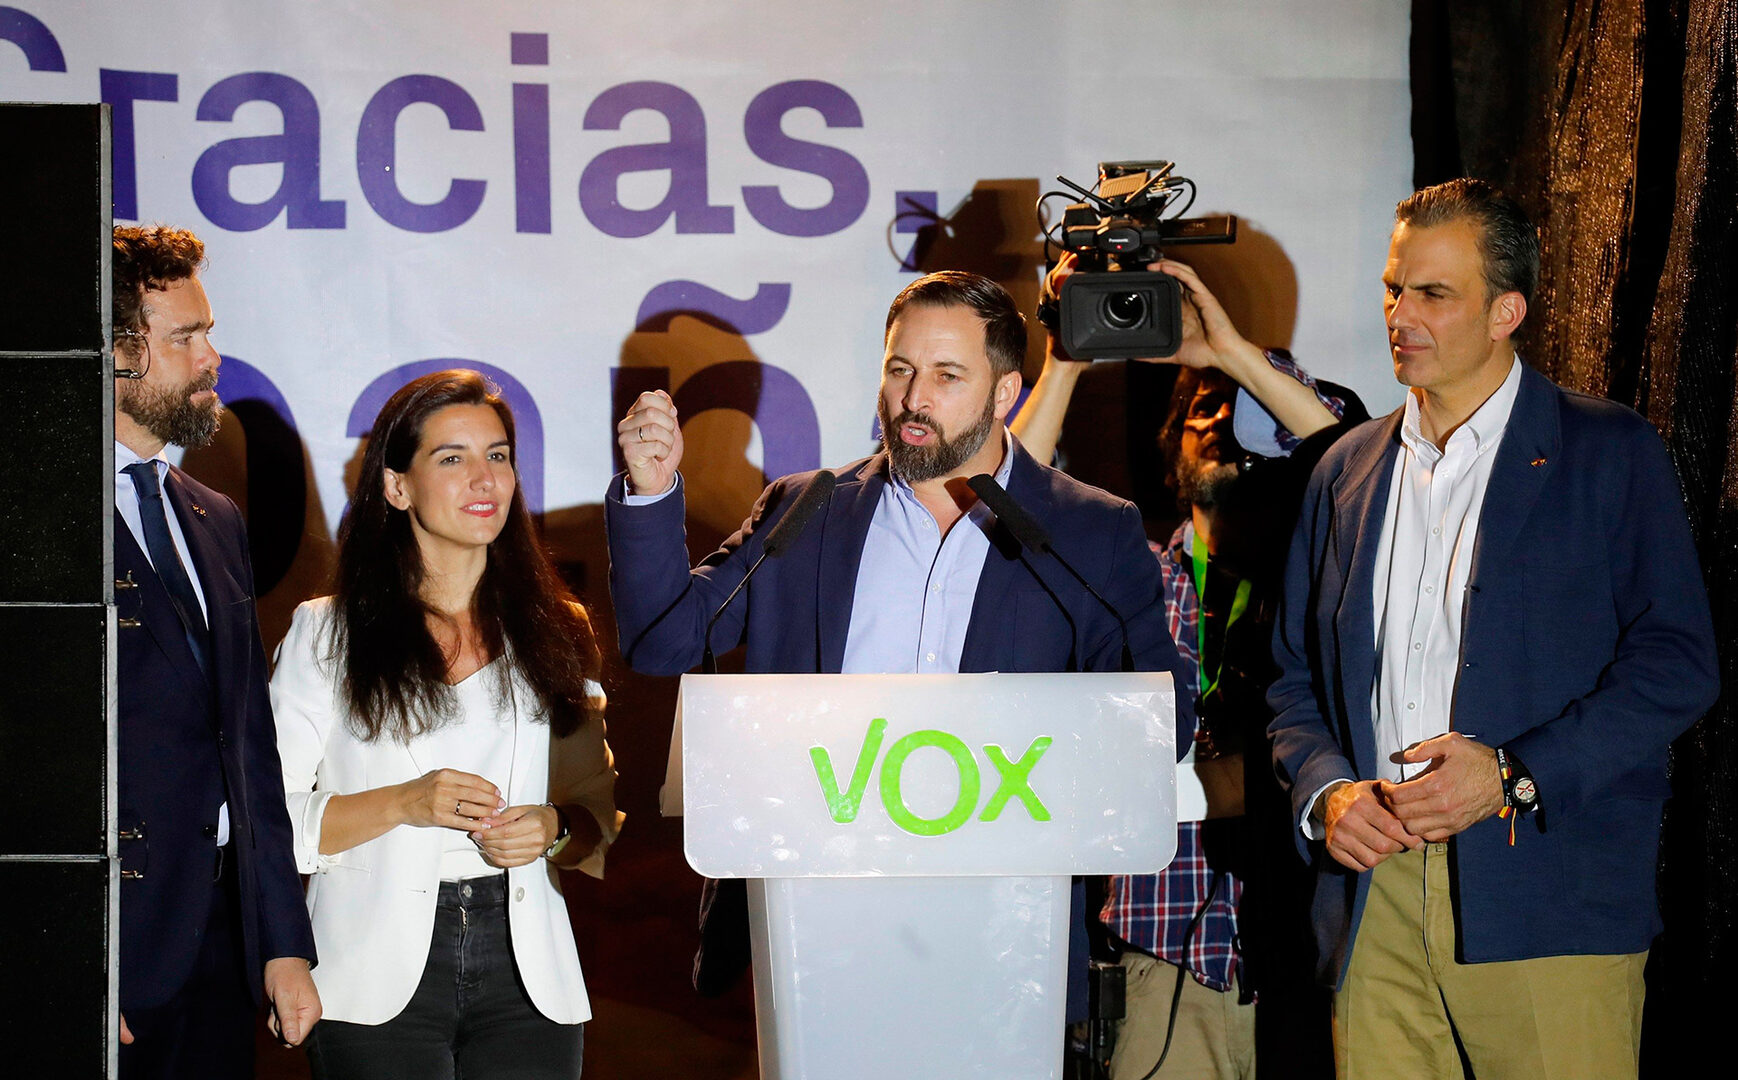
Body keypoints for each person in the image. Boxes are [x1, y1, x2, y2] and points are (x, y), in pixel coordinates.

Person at [608, 269, 1193, 997]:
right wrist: (651, 492)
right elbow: (664, 639)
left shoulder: (1088, 530)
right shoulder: (806, 509)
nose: (914, 399)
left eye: (947, 375)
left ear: (1004, 392)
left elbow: (1161, 728)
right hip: (814, 927)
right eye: (900, 369)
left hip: (1005, 940)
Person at [1267, 178, 1719, 1078]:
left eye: (1434, 293)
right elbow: (1293, 678)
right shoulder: (1345, 471)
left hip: (1549, 899)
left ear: (1507, 310)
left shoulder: (1607, 450)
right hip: (1374, 902)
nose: (1401, 315)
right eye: (1394, 288)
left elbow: (1677, 664)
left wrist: (1514, 774)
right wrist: (1328, 795)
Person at [1014, 255, 1363, 1079]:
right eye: (1200, 404)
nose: (1219, 416)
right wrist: (1065, 360)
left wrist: (1233, 354)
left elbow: (1360, 462)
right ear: (1170, 443)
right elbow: (1008, 502)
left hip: (1314, 959)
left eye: (1244, 407)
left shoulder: (1334, 575)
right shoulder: (1126, 571)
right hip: (1168, 954)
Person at [271, 370, 624, 1079]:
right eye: (452, 458)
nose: (483, 478)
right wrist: (406, 802)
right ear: (397, 487)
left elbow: (596, 807)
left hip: (529, 974)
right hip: (369, 973)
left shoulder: (558, 628)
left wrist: (551, 827)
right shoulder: (326, 633)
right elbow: (267, 821)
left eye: (498, 456)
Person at [111, 224, 320, 1078]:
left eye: (209, 332)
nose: (211, 358)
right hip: (108, 950)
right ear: (115, 354)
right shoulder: (33, 519)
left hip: (222, 948)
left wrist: (282, 941)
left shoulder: (215, 516)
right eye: (185, 338)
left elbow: (248, 743)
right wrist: (62, 945)